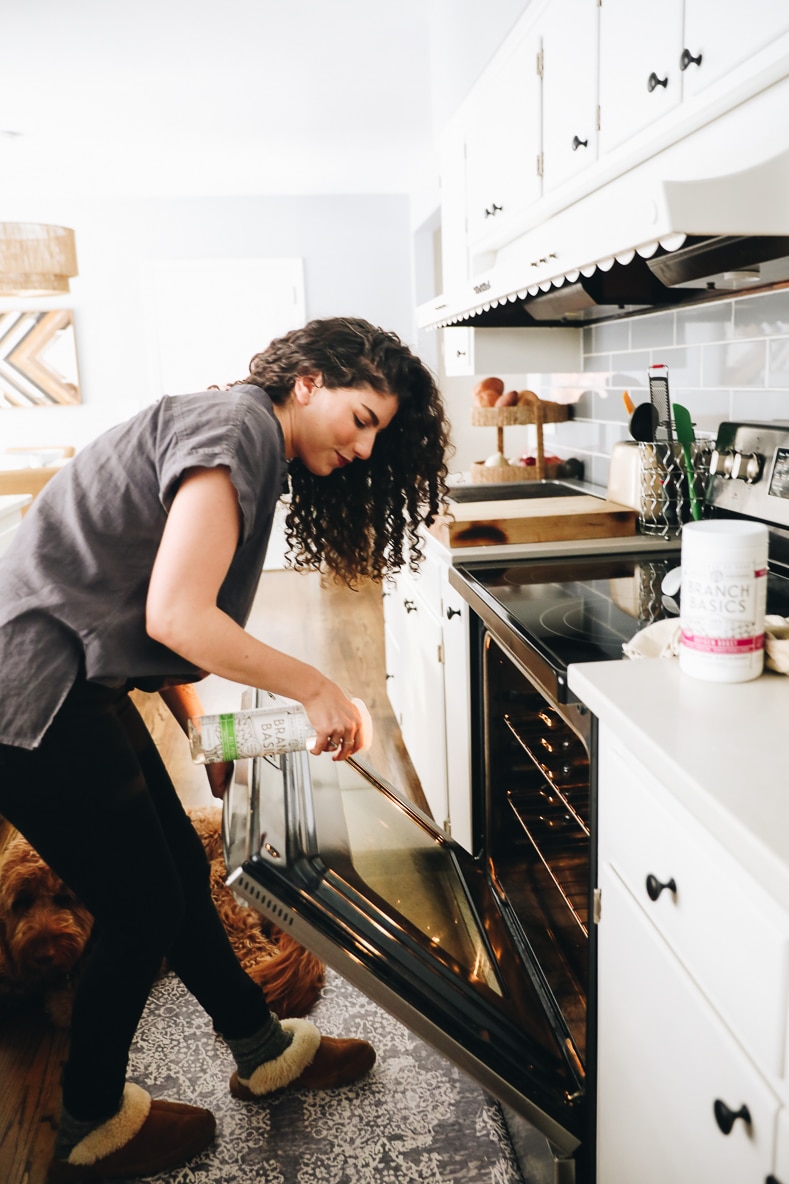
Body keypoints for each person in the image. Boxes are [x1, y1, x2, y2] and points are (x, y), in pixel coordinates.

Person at [0, 316, 450, 1183]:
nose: (364, 450)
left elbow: (149, 607)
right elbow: (177, 615)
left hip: (69, 679)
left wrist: (198, 727)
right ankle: (91, 1125)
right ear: (309, 381)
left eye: (379, 437)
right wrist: (314, 686)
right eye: (361, 419)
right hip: (34, 691)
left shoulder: (234, 428)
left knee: (171, 871)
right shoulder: (240, 429)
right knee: (139, 909)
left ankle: (263, 1048)